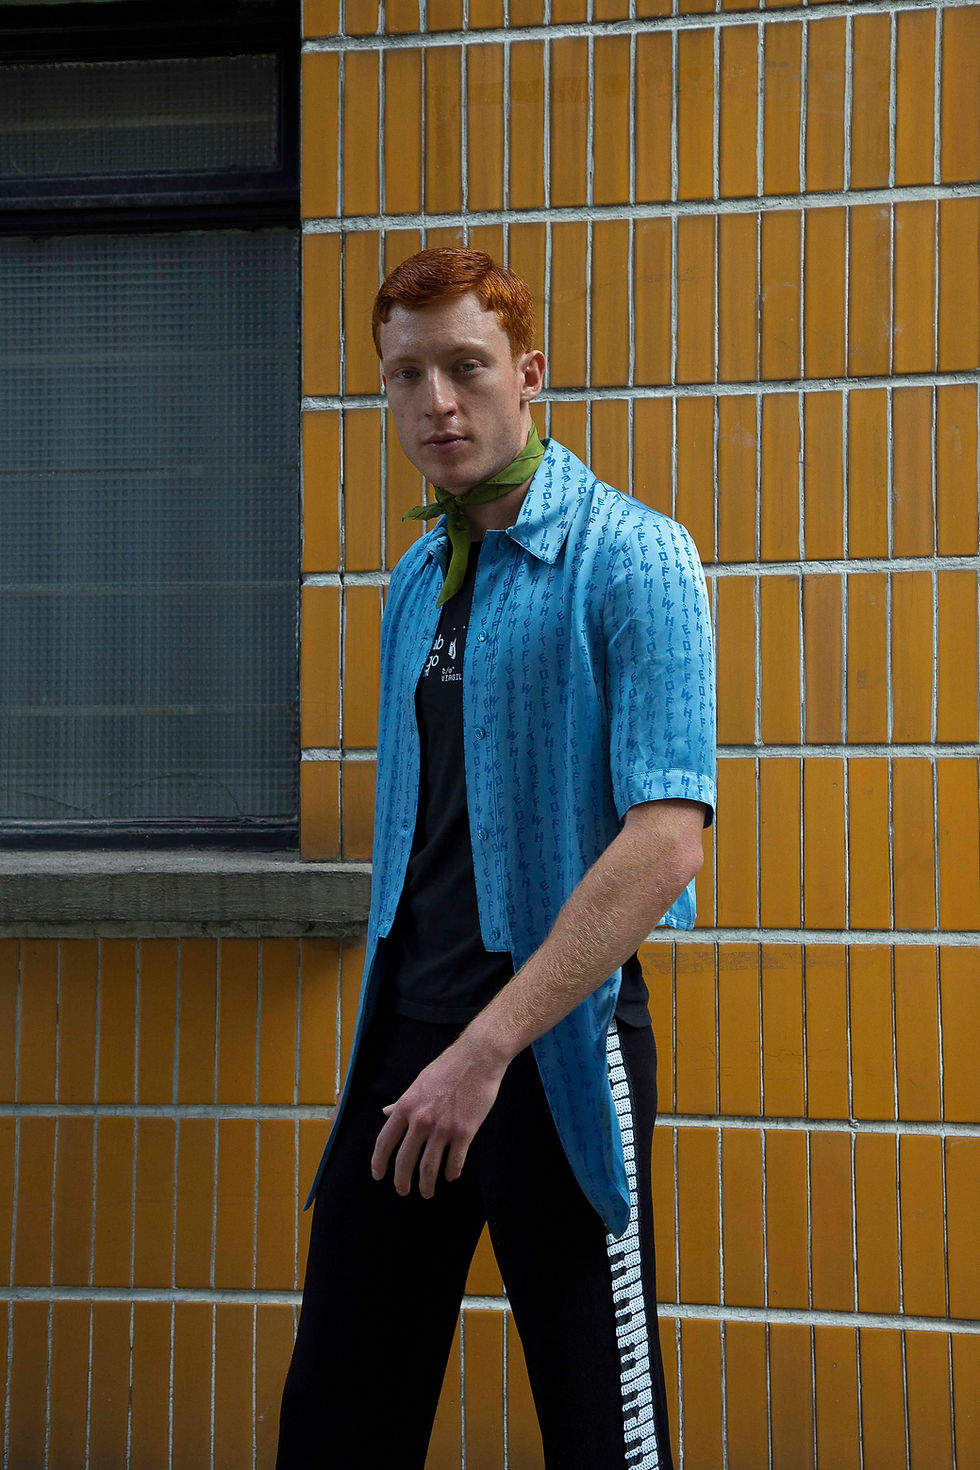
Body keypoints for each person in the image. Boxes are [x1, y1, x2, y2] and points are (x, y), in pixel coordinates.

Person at [276, 247, 716, 1470]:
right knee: (337, 1421)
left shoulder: (633, 556)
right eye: (404, 374)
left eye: (465, 367)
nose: (435, 402)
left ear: (528, 374)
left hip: (553, 1055)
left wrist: (487, 1049)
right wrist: (433, 1052)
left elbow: (664, 846)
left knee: (601, 1430)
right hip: (404, 1060)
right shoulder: (417, 580)